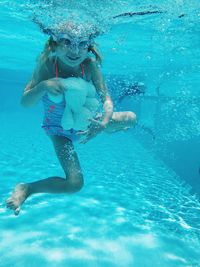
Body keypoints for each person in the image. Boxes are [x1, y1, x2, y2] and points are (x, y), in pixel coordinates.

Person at [6, 21, 136, 215]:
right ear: (54, 44)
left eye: (83, 43)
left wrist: (104, 121)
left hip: (89, 122)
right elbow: (25, 102)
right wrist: (44, 86)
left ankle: (108, 129)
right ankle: (28, 188)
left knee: (131, 118)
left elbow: (106, 98)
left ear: (89, 46)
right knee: (75, 184)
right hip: (60, 131)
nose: (75, 50)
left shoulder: (90, 66)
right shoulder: (48, 66)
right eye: (67, 41)